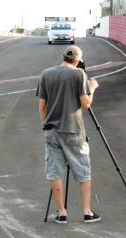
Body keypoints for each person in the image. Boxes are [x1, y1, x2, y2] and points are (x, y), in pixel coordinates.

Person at [38, 45, 101, 224]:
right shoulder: (79, 74)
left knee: (54, 171)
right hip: (73, 130)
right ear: (78, 61)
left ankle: (62, 213)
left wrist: (45, 127)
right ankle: (87, 212)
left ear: (63, 56)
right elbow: (86, 104)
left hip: (51, 130)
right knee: (82, 169)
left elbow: (42, 106)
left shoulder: (45, 74)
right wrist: (92, 87)